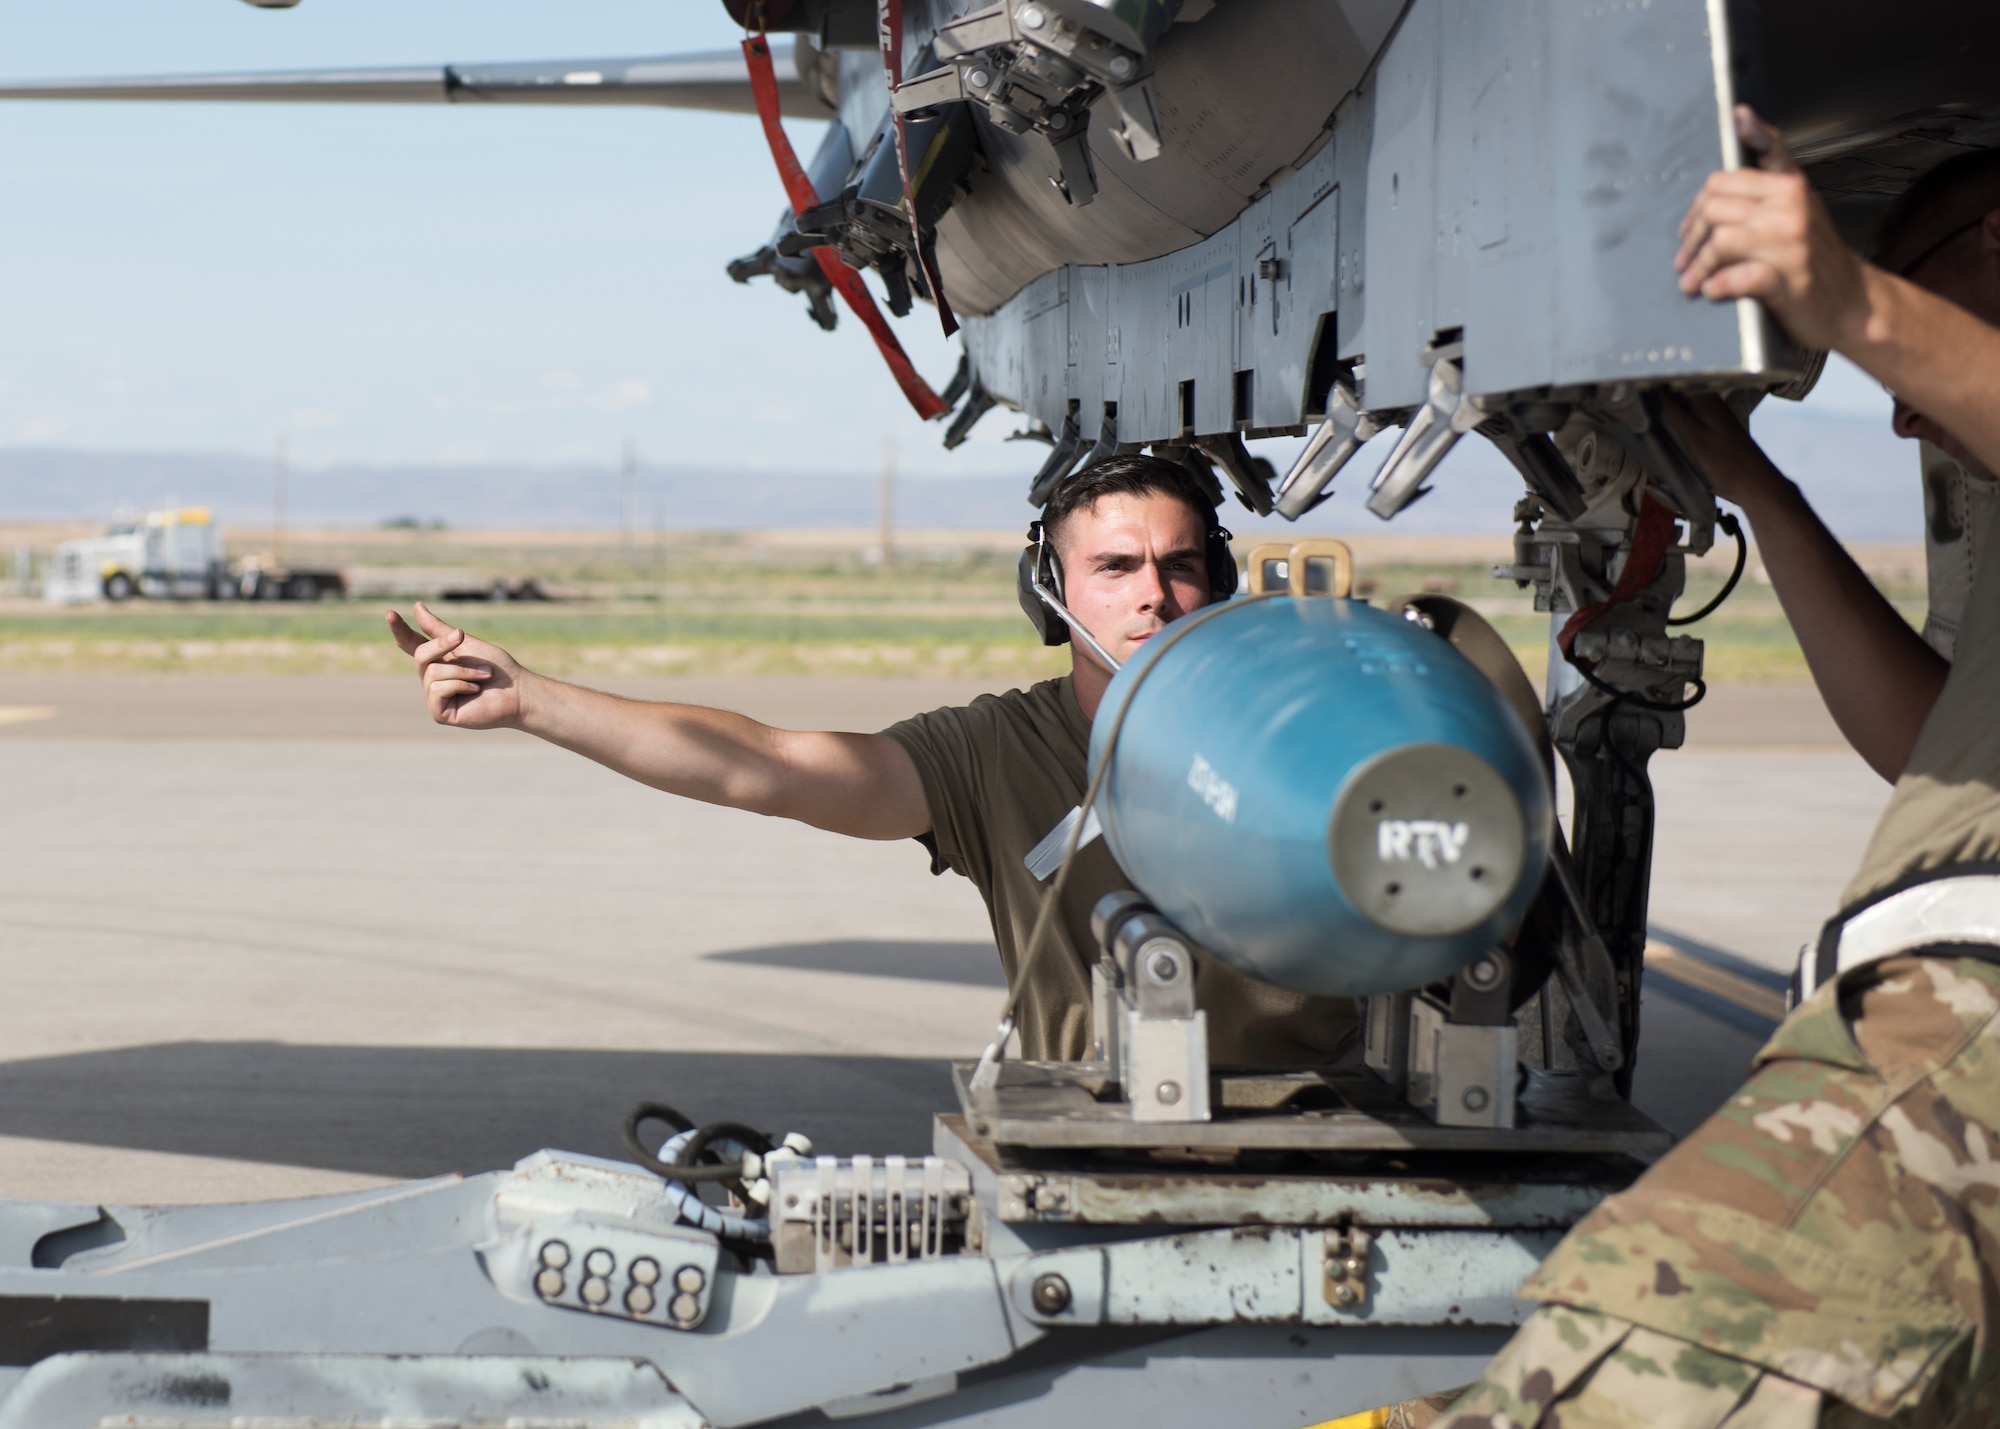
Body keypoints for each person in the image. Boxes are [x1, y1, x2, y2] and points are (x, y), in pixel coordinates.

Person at [1443, 110, 2000, 1428]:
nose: (1904, 412)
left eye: (1923, 304)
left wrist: (1849, 296)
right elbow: (1927, 742)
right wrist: (1753, 479)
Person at [386, 454, 1359, 1068]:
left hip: (1323, 1128)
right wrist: (532, 699)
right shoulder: (994, 753)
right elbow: (761, 764)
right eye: (1114, 567)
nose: (1153, 595)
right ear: (1050, 593)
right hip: (1092, 1136)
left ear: (1218, 581)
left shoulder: (1314, 732)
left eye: (1179, 565)